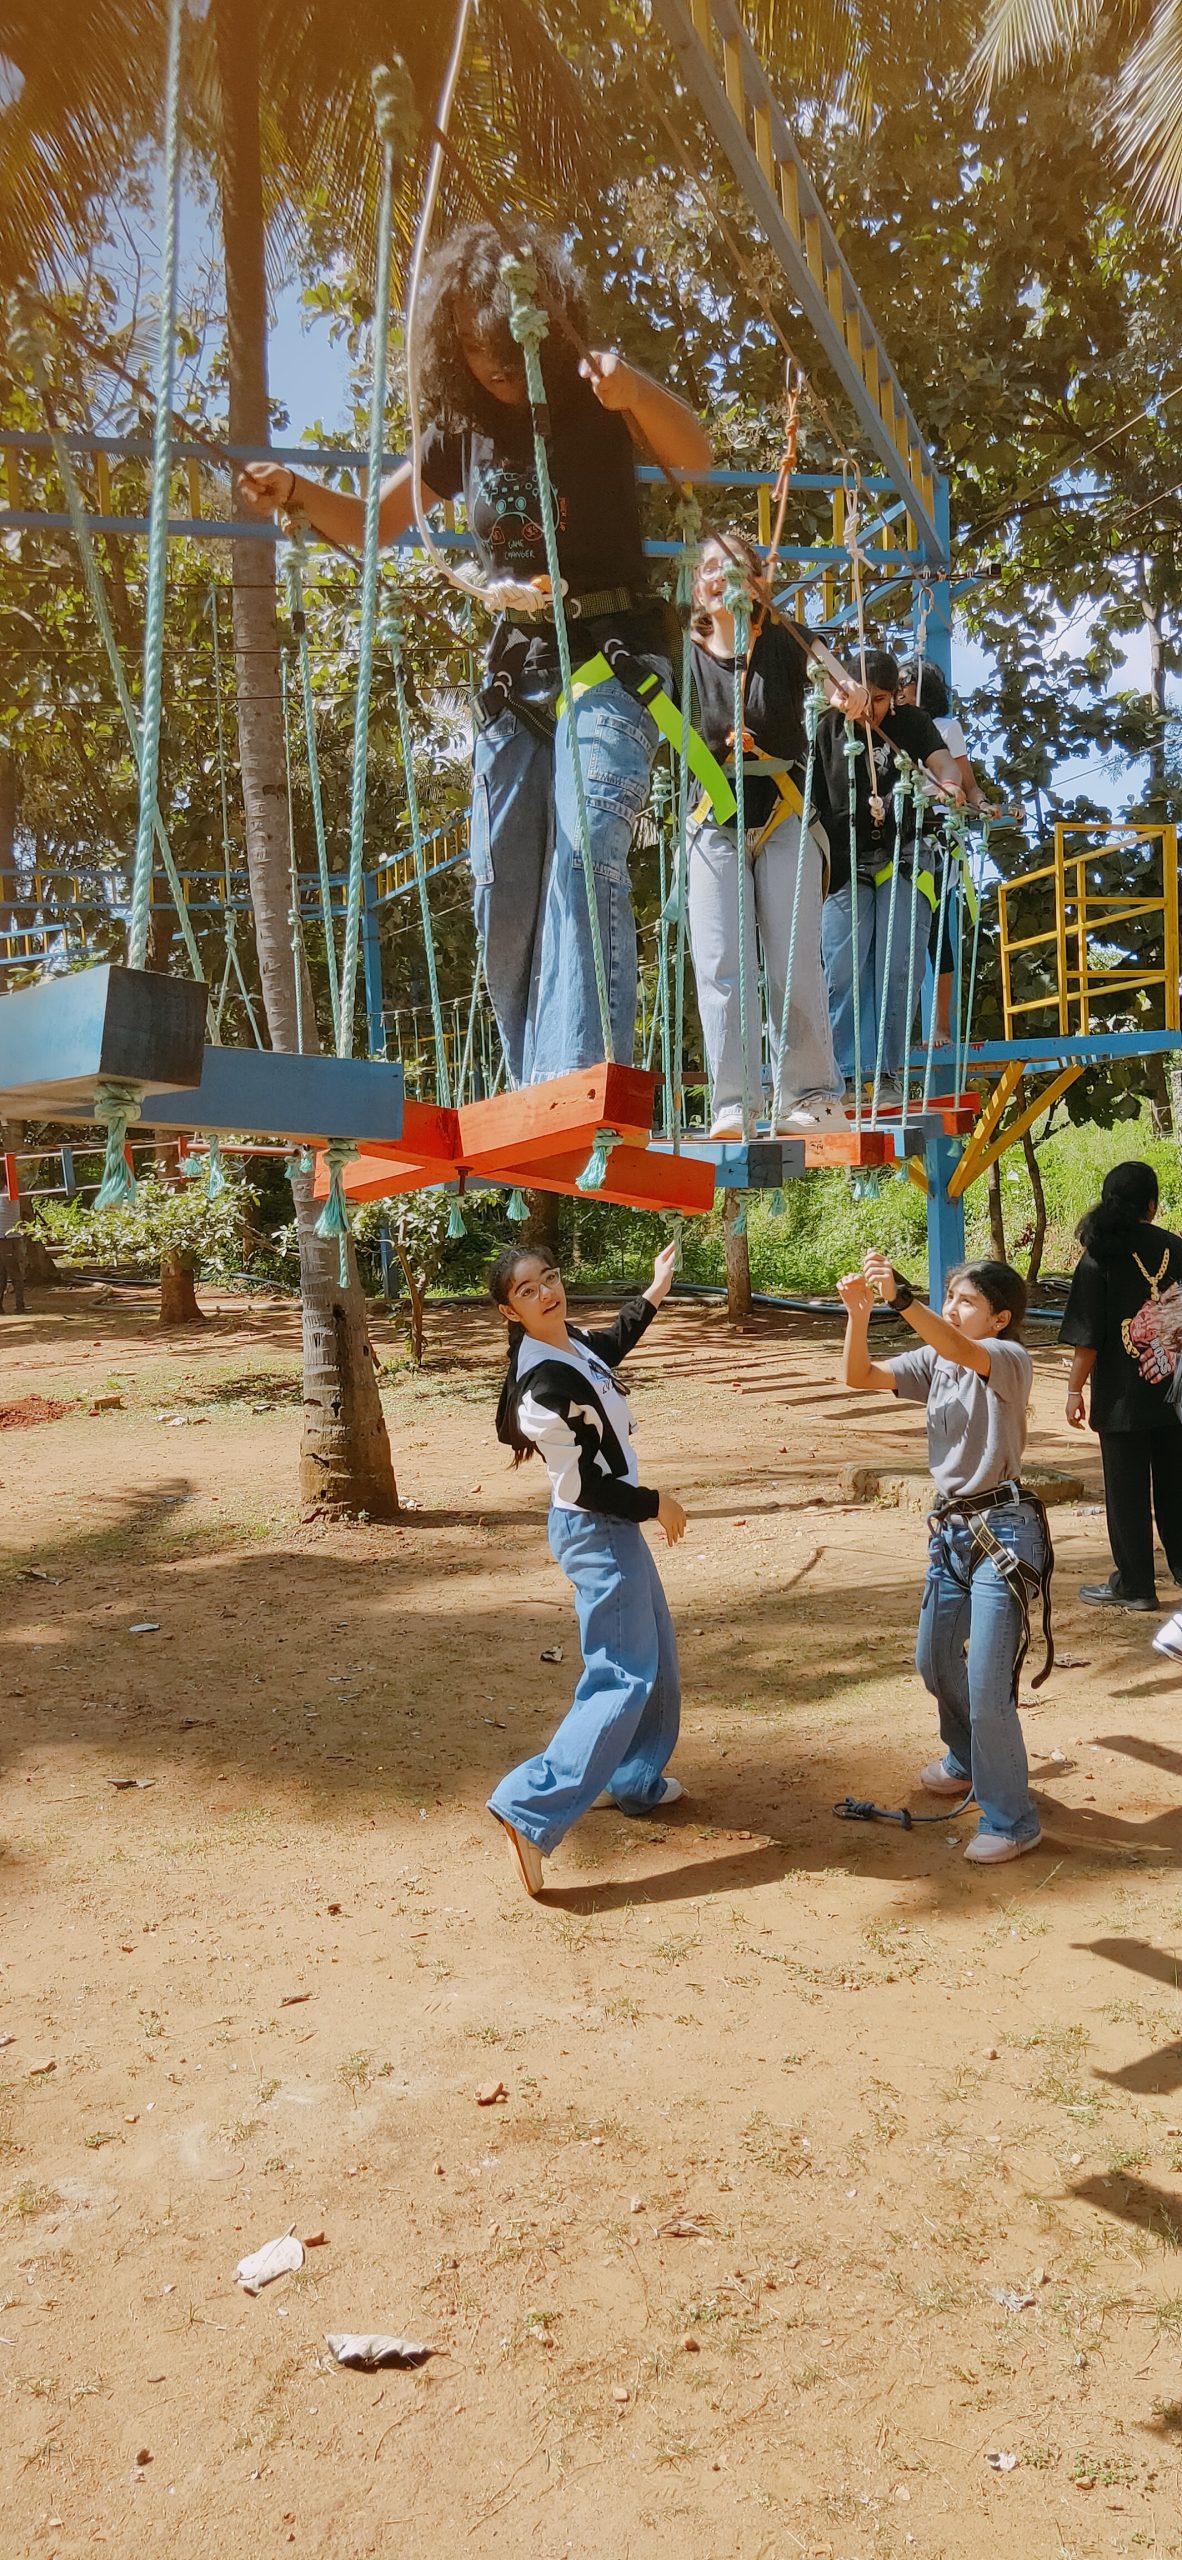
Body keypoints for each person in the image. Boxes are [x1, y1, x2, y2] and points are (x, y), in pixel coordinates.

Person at [241, 225, 711, 1088]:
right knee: (503, 893)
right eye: (468, 345)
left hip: (611, 655)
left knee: (587, 845)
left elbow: (696, 456)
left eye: (498, 342)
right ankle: (536, 1088)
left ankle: (587, 1083)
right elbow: (376, 522)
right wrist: (298, 492)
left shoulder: (591, 394)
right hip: (516, 673)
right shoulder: (460, 430)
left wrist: (634, 389)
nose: (490, 363)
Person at [486, 1239, 687, 1896]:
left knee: (655, 1659)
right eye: (528, 1290)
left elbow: (609, 1347)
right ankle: (528, 1806)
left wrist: (655, 1290)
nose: (547, 1292)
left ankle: (633, 1779)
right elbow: (583, 1487)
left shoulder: (568, 1345)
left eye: (549, 1277)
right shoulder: (542, 1387)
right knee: (622, 1675)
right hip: (597, 1528)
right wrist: (655, 1503)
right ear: (510, 1312)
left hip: (612, 1528)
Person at [837, 1250, 1047, 1864]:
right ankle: (966, 1757)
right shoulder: (936, 1359)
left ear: (1000, 1319)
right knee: (933, 1661)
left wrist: (902, 1300)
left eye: (966, 1301)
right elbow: (860, 1376)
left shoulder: (1007, 1358)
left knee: (987, 1683)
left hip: (1003, 1533)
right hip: (952, 1531)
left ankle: (1012, 1820)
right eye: (949, 1296)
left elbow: (959, 1347)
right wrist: (858, 1315)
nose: (952, 1308)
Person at [685, 530, 848, 1142]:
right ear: (697, 585)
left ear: (756, 582)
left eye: (732, 568)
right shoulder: (683, 654)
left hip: (783, 815)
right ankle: (736, 1103)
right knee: (721, 963)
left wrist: (845, 692)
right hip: (713, 818)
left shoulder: (783, 639)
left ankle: (811, 1095)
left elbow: (829, 672)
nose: (719, 577)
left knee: (792, 959)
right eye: (709, 568)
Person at [816, 650, 962, 1104]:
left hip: (904, 850)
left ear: (895, 698)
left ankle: (887, 1074)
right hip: (846, 859)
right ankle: (844, 1074)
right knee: (843, 969)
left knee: (898, 966)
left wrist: (950, 784)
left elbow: (944, 762)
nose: (871, 709)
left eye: (881, 700)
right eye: (864, 698)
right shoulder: (825, 727)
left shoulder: (911, 723)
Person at [1060, 1159, 1182, 1611]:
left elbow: (1087, 1337)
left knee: (1126, 1493)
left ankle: (1136, 1586)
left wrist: (1074, 1391)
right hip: (1175, 1396)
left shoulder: (1099, 1256)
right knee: (1177, 1488)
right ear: (1152, 1205)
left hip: (1120, 1400)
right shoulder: (1177, 1248)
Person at [897, 660, 994, 1048]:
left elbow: (968, 784)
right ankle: (897, 1029)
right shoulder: (890, 727)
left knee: (935, 931)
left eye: (905, 681)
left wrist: (981, 803)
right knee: (898, 932)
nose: (899, 688)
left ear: (923, 686)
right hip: (897, 832)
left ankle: (940, 1026)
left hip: (935, 837)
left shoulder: (944, 728)